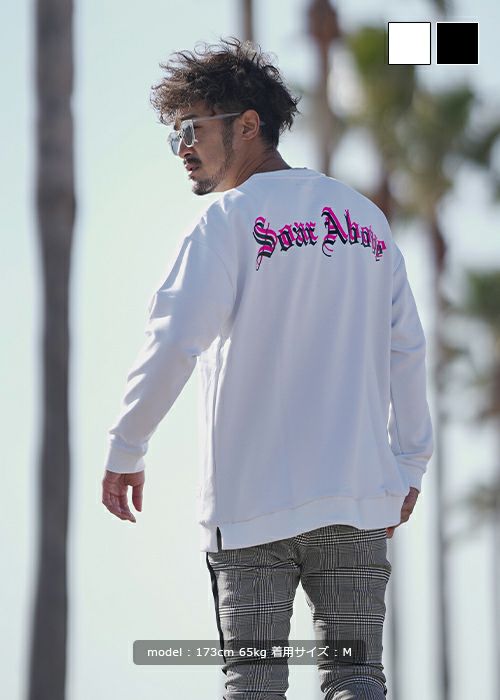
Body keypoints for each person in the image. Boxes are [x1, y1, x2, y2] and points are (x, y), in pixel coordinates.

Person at [101, 36, 433, 700]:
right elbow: (407, 348)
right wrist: (408, 463)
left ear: (248, 125)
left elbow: (174, 339)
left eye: (192, 130)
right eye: (175, 136)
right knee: (357, 679)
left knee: (252, 685)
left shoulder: (226, 221)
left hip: (250, 505)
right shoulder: (366, 221)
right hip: (357, 498)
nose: (182, 149)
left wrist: (127, 446)